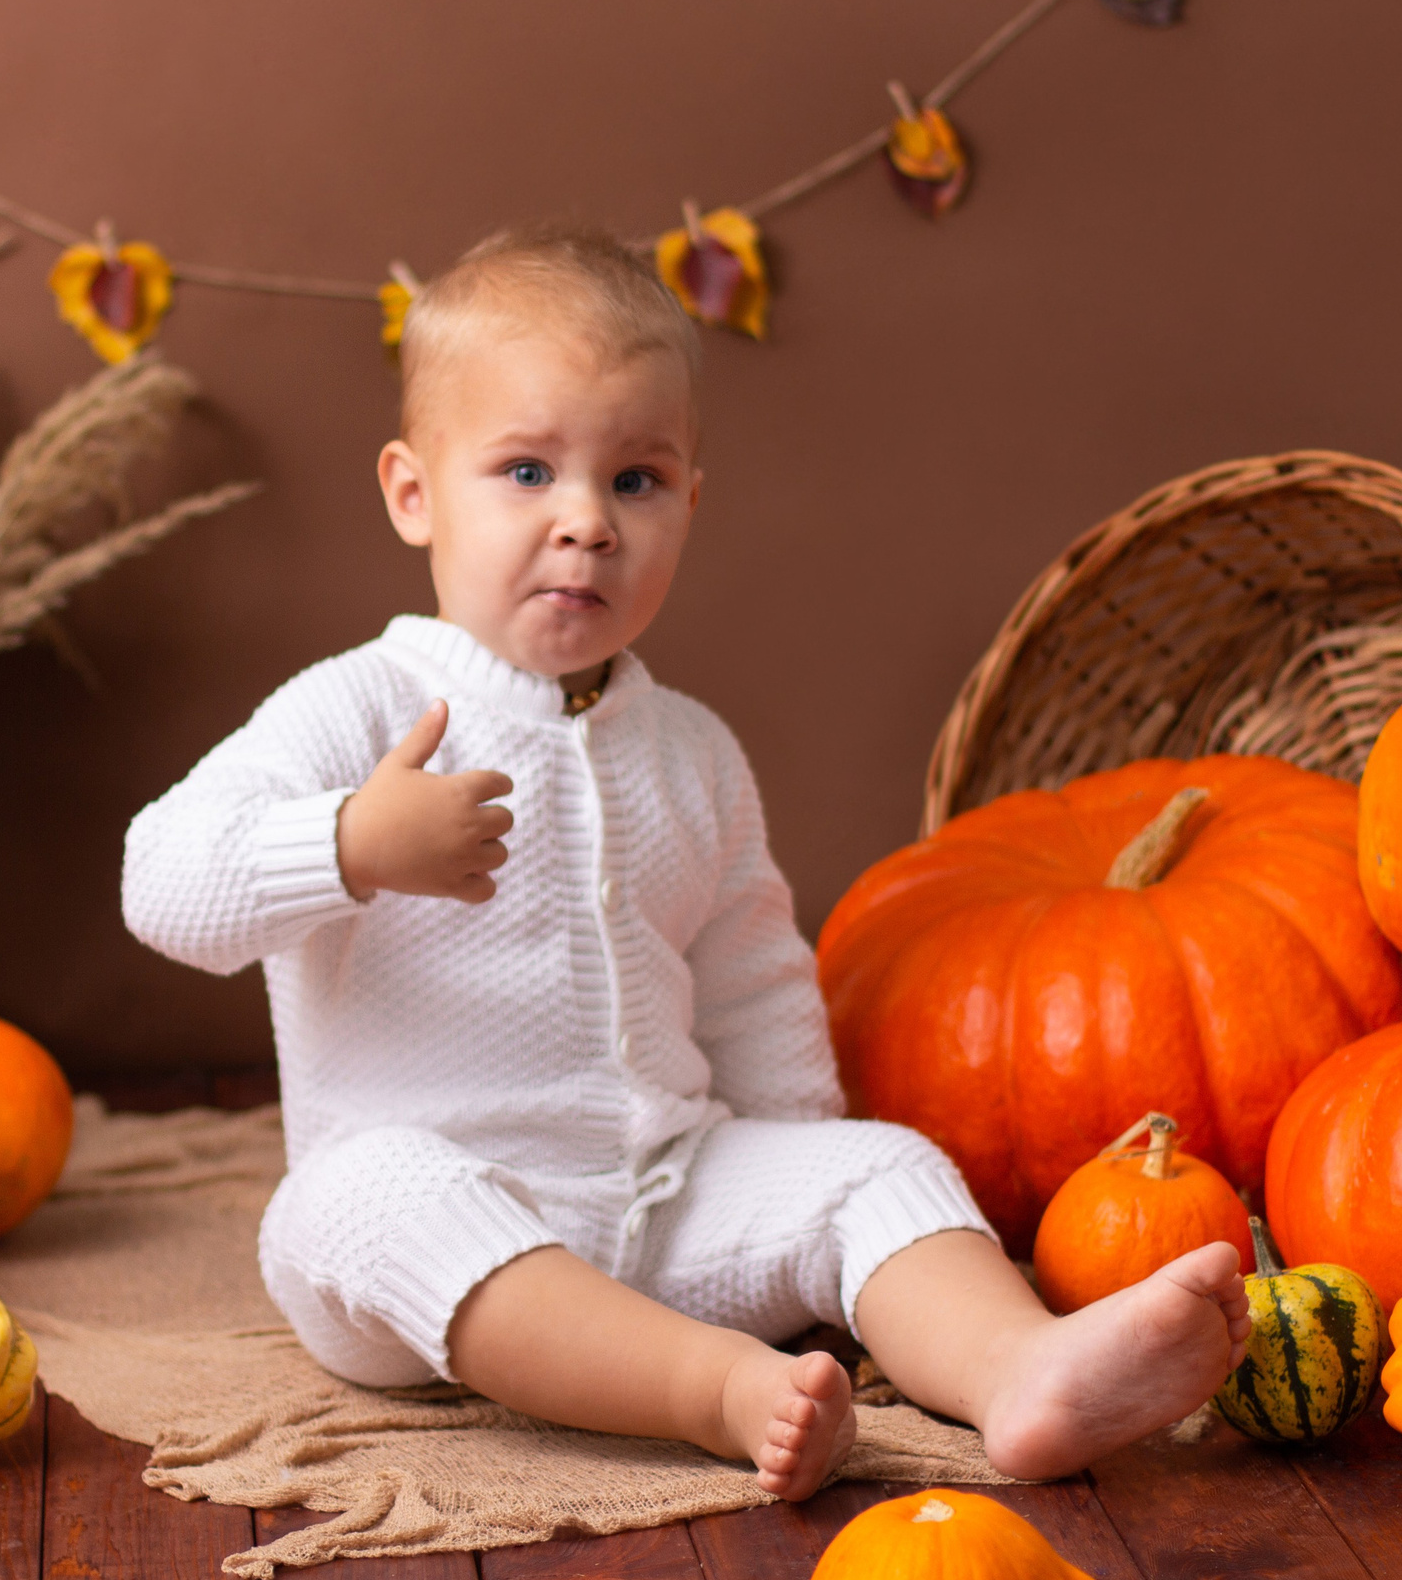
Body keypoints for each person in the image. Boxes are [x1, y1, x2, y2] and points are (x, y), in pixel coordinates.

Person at [121, 222, 1248, 1497]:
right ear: (413, 493)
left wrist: (799, 1192)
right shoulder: (357, 711)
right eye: (527, 471)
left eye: (636, 482)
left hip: (662, 1203)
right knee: (353, 1198)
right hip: (433, 1242)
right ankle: (711, 1388)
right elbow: (161, 879)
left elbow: (752, 983)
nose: (586, 525)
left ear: (690, 505)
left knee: (879, 1166)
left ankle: (1019, 1371)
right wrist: (348, 845)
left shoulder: (693, 752)